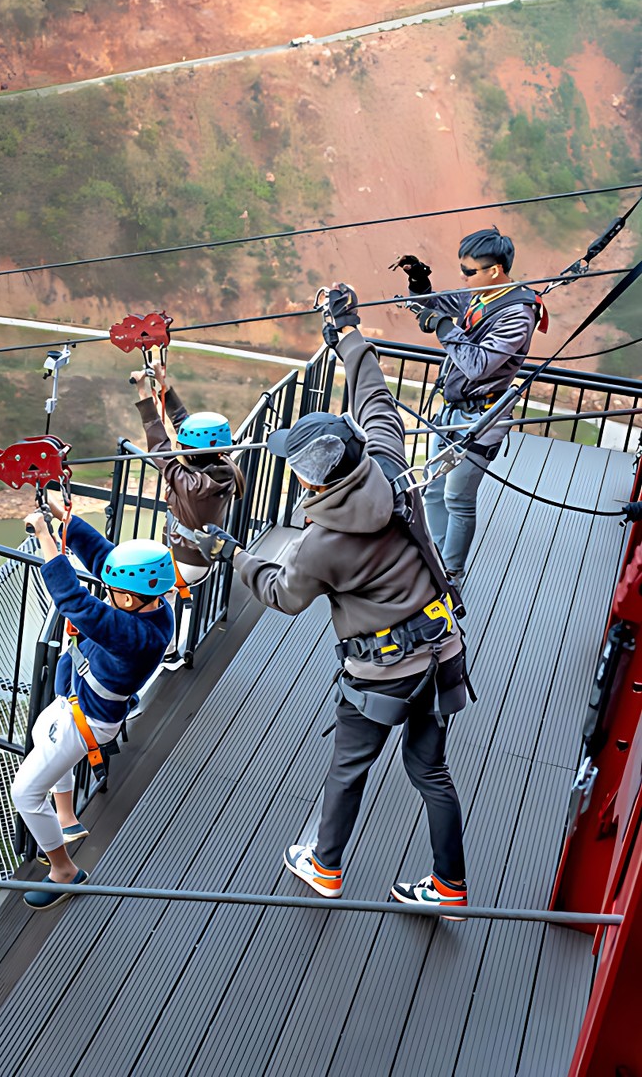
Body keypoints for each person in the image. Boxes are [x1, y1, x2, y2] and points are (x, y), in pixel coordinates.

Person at [195, 284, 472, 915]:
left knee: (350, 768)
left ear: (313, 476)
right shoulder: (388, 463)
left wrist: (233, 555)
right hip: (441, 648)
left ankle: (324, 866)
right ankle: (450, 886)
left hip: (382, 673)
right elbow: (374, 393)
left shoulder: (321, 544)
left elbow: (283, 594)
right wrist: (347, 330)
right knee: (431, 772)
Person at [11, 497, 174, 910]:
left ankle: (63, 870)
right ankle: (65, 818)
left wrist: (47, 537)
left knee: (25, 794)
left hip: (87, 717)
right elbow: (106, 560)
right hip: (78, 700)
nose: (109, 591)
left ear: (133, 599)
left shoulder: (137, 636)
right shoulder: (153, 606)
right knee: (39, 736)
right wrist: (69, 520)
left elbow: (76, 603)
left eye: (116, 592)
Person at [391, 226, 547, 587]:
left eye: (469, 271)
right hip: (451, 410)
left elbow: (478, 364)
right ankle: (431, 557)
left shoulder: (517, 315)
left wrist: (445, 328)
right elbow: (432, 308)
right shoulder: (479, 295)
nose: (463, 278)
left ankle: (451, 575)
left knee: (457, 497)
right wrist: (419, 282)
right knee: (431, 489)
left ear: (495, 270)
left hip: (482, 418)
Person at [130, 363, 244, 663]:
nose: (179, 447)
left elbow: (159, 445)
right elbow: (184, 424)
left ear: (191, 453)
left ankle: (165, 653)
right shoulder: (225, 467)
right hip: (203, 555)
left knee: (145, 592)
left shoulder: (188, 482)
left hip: (185, 561)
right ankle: (167, 650)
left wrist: (144, 393)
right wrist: (164, 386)